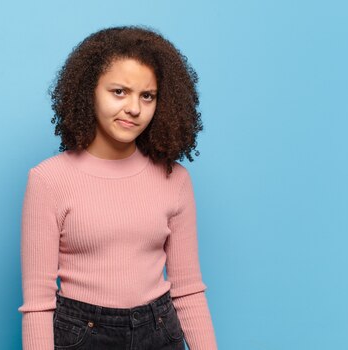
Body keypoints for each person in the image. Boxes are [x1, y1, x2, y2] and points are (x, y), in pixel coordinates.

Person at [18, 25, 218, 350]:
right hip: (83, 334)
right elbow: (38, 304)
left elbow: (189, 289)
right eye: (119, 92)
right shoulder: (48, 180)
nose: (135, 108)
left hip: (160, 330)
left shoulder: (175, 179)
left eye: (147, 96)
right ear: (89, 92)